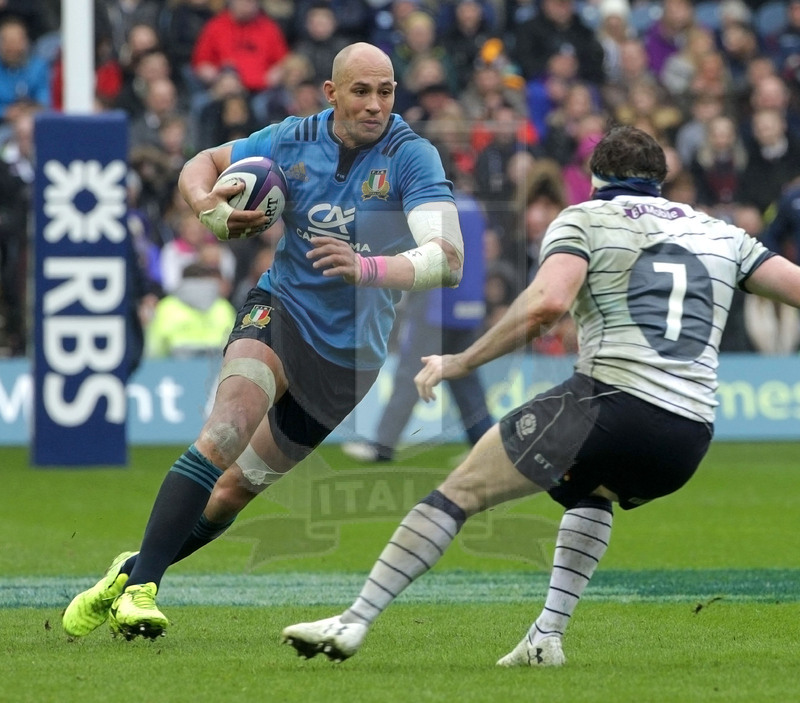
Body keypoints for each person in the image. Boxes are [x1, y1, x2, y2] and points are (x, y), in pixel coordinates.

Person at [280, 125, 800, 667]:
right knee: (590, 492)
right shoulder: (723, 234)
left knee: (457, 492)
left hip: (612, 403)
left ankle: (353, 620)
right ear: (661, 181)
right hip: (689, 437)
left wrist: (461, 360)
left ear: (596, 177)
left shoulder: (584, 218)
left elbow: (546, 305)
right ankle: (546, 639)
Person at [61, 41, 464, 640]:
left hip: (348, 362)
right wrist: (206, 206)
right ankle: (146, 591)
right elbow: (200, 162)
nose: (375, 104)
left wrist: (366, 269)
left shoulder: (411, 156)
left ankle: (131, 572)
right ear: (331, 93)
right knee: (222, 433)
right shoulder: (290, 139)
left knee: (229, 494)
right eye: (361, 90)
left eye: (386, 91)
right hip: (281, 310)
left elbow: (448, 260)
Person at [342, 182, 493, 463]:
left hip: (435, 306)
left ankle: (382, 445)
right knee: (466, 380)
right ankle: (486, 449)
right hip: (468, 306)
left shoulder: (434, 209)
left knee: (410, 374)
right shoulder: (473, 208)